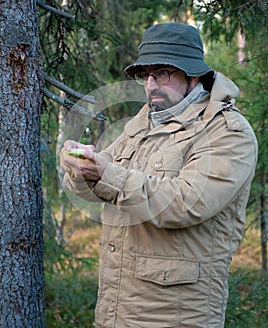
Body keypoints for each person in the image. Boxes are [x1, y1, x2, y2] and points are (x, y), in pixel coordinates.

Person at [60, 23, 258, 328]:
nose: (151, 85)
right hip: (117, 310)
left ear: (193, 75)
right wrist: (80, 166)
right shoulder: (143, 122)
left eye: (163, 73)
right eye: (145, 75)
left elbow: (186, 204)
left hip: (176, 315)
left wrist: (107, 173)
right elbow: (98, 185)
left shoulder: (227, 131)